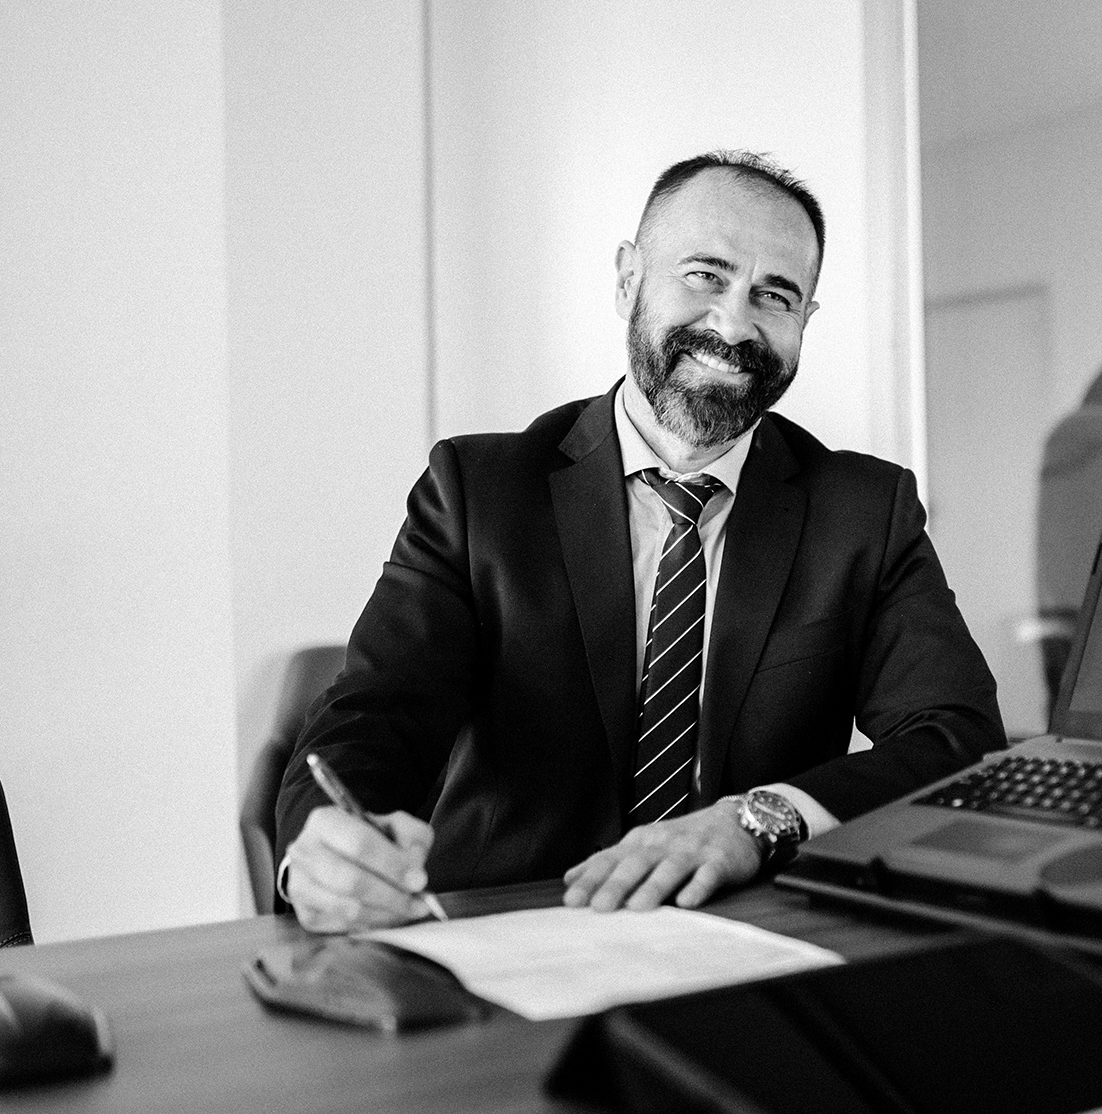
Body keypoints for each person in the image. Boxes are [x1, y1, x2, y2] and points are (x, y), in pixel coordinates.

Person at [275, 150, 1004, 932]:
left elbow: (955, 739)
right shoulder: (478, 491)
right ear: (628, 280)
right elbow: (378, 714)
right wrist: (320, 850)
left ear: (805, 322)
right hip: (507, 932)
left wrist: (756, 820)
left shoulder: (864, 511)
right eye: (704, 275)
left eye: (775, 294)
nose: (734, 324)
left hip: (747, 940)